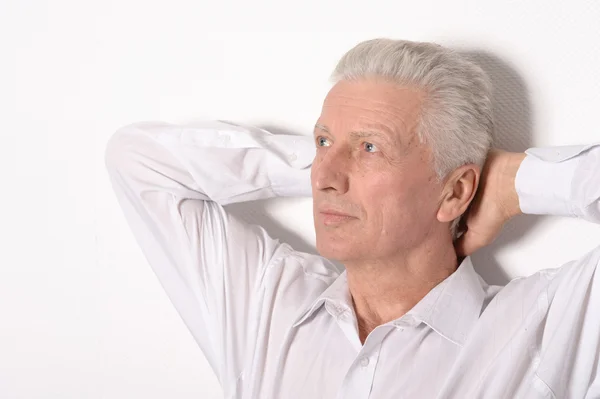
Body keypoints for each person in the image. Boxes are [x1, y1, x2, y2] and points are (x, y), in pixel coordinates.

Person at [104, 38, 600, 398]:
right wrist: (334, 161)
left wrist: (513, 183)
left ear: (455, 190)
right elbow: (139, 160)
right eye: (322, 141)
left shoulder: (544, 327)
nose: (325, 176)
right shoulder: (267, 305)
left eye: (369, 147)